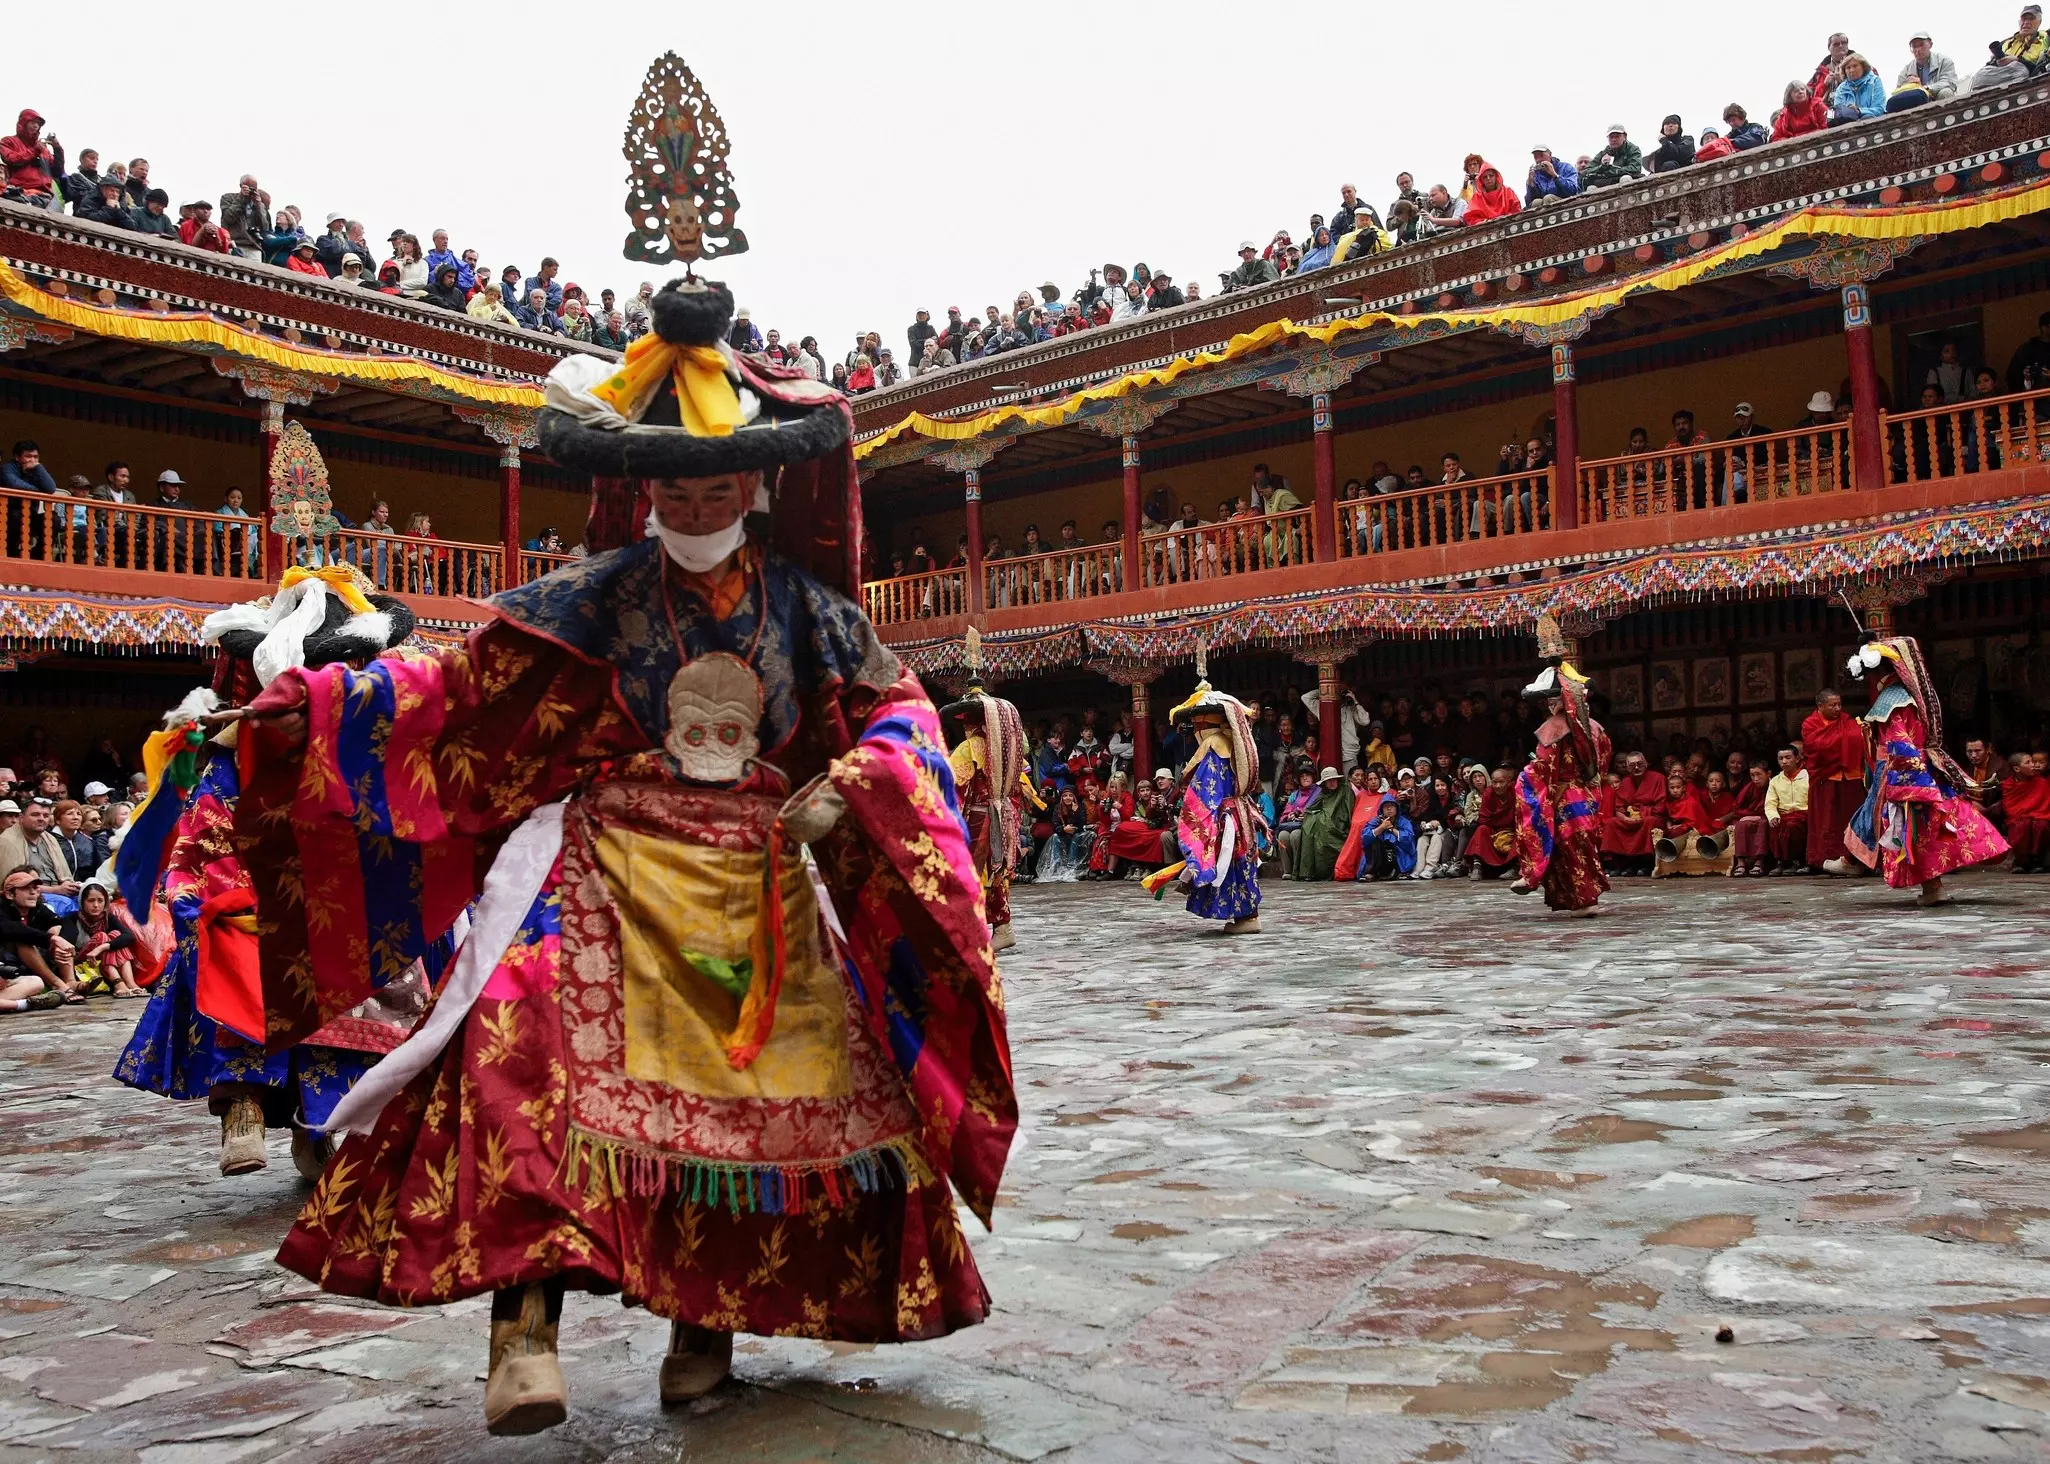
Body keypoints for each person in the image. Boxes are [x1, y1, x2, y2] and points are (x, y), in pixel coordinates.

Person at [239, 280, 1017, 1436]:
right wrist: (309, 701)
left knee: (770, 1114)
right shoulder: (587, 601)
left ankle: (703, 1329)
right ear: (639, 489)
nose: (696, 499)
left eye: (716, 481)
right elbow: (449, 687)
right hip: (597, 862)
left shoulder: (812, 614)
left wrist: (852, 784)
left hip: (755, 885)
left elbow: (897, 716)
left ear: (757, 486)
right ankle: (523, 1329)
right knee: (515, 1053)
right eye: (674, 484)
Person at [113, 570, 423, 1177]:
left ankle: (328, 1130)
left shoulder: (360, 757)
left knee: (374, 962)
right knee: (242, 947)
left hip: (344, 903)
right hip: (254, 900)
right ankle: (245, 1108)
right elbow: (203, 841)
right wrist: (199, 896)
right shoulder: (227, 766)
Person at [1842, 637, 2009, 904]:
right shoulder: (1907, 697)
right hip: (1918, 772)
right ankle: (1857, 861)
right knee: (1925, 829)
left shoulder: (1893, 701)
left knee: (1915, 832)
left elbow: (1900, 743)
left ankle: (1928, 886)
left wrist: (1909, 781)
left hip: (1906, 775)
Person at [1142, 674, 1262, 932]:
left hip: (1222, 815)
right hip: (1237, 813)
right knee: (1238, 864)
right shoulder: (1230, 743)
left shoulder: (1214, 747)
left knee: (1230, 864)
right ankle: (1247, 915)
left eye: (1196, 725)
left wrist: (1188, 813)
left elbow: (1206, 792)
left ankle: (1246, 917)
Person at [1510, 620, 1611, 915]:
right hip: (1589, 798)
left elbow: (1542, 768)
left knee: (1565, 849)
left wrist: (1525, 776)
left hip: (1564, 798)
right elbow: (1601, 764)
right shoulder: (1596, 728)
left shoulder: (1553, 729)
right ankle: (1585, 899)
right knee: (1584, 848)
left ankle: (1576, 898)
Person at [1801, 687, 1868, 874]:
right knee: (1827, 822)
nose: (1838, 708)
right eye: (1832, 705)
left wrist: (1846, 739)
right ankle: (1826, 859)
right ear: (1820, 706)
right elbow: (1816, 747)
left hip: (1851, 777)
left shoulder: (1847, 721)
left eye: (1839, 704)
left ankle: (1858, 859)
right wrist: (1843, 740)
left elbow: (1858, 739)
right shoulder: (1810, 724)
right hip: (1826, 778)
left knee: (1853, 819)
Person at [60, 880, 144, 998]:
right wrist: (98, 944)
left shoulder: (107, 918)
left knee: (115, 935)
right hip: (84, 964)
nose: (96, 905)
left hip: (103, 962)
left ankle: (130, 983)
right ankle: (118, 983)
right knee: (102, 936)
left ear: (105, 902)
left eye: (100, 901)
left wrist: (102, 947)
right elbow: (67, 944)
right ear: (82, 902)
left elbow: (129, 936)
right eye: (91, 901)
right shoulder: (72, 919)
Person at [1602, 750, 1665, 876]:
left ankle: (1645, 863)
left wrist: (1642, 814)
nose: (1636, 767)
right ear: (1627, 767)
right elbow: (1618, 808)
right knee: (1611, 823)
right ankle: (1619, 864)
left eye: (1640, 764)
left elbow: (1661, 807)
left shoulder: (1658, 778)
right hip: (1630, 818)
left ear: (1646, 763)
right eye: (1632, 765)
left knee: (1649, 822)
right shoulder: (1625, 782)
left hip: (1650, 817)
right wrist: (1625, 818)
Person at [1972, 4, 2047, 89]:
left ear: (2039, 22)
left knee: (2020, 69)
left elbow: (2042, 67)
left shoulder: (2044, 41)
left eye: (2031, 18)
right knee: (1979, 76)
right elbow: (1990, 66)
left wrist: (2016, 60)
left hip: (2026, 76)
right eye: (2024, 19)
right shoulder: (2007, 42)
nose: (2026, 22)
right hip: (2002, 73)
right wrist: (1996, 60)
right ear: (2019, 22)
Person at [1764, 746, 1812, 875]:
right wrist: (1773, 816)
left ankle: (1797, 861)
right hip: (1784, 815)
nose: (1784, 761)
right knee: (1775, 825)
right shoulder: (1775, 781)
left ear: (1797, 759)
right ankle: (1781, 862)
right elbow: (1770, 803)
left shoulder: (1808, 777)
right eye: (1780, 758)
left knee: (1793, 827)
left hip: (1804, 815)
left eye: (1787, 757)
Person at [1467, 766, 1519, 880]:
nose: (1498, 786)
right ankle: (1477, 867)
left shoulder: (1517, 792)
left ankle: (1516, 867)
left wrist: (1506, 826)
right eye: (1495, 782)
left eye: (1501, 782)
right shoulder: (1488, 793)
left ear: (1509, 782)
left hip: (1513, 830)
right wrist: (1501, 826)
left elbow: (1521, 817)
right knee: (1482, 829)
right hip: (1495, 831)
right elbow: (1483, 818)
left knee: (1524, 831)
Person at [2004, 751, 2050, 873]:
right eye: (2028, 762)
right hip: (2019, 818)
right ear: (2017, 769)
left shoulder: (2041, 782)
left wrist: (2033, 815)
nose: (2033, 765)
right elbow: (2011, 807)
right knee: (2020, 825)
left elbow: (2045, 804)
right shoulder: (2008, 785)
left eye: (2033, 761)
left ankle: (2036, 860)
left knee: (2040, 825)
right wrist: (2026, 815)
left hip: (2039, 816)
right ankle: (2021, 861)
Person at [1891, 30, 1959, 110]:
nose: (1918, 50)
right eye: (1914, 47)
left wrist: (1926, 89)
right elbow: (1898, 94)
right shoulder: (1905, 72)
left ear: (1930, 44)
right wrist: (1910, 86)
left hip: (1938, 100)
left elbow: (1950, 82)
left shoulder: (1944, 61)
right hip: (1916, 105)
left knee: (1946, 92)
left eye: (1921, 45)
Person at [1828, 54, 1887, 124]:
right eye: (1848, 68)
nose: (1852, 70)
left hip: (1873, 122)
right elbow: (1837, 111)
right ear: (1844, 71)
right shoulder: (1841, 89)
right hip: (1848, 124)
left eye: (1855, 66)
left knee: (1867, 118)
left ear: (1863, 67)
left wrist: (1859, 111)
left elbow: (1879, 109)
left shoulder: (1874, 81)